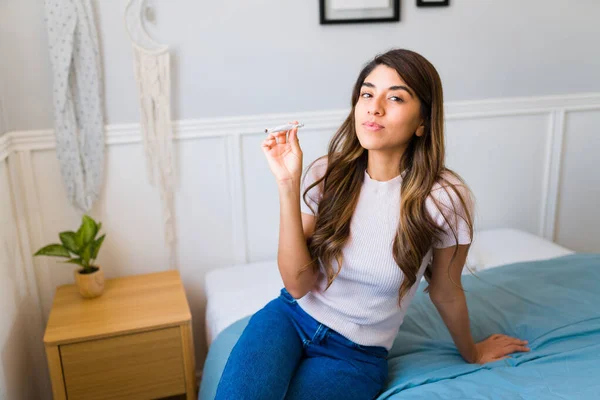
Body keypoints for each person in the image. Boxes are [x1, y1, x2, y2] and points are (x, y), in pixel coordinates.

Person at [214, 48, 530, 400]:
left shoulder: (444, 199)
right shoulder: (327, 173)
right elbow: (298, 284)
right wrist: (288, 185)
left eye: (395, 97)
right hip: (287, 318)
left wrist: (471, 351)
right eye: (367, 93)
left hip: (355, 355)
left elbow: (446, 289)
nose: (374, 107)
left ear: (423, 121)